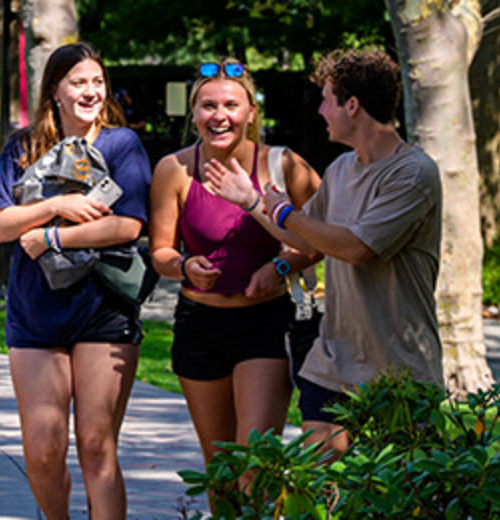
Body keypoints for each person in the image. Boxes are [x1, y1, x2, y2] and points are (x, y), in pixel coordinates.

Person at [198, 49, 445, 453]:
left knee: (394, 496)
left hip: (400, 371)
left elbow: (355, 248)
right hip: (333, 362)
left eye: (327, 99)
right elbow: (307, 239)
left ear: (353, 106)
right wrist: (251, 202)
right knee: (319, 481)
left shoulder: (412, 173)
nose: (320, 109)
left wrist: (284, 211)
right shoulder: (342, 168)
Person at [0, 42, 152, 520]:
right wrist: (55, 206)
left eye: (97, 82)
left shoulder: (121, 145)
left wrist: (53, 237)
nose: (91, 91)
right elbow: (1, 225)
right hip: (35, 312)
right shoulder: (22, 147)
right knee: (41, 451)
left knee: (97, 447)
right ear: (55, 90)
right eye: (79, 82)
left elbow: (127, 226)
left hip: (103, 309)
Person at [146, 59, 321, 506]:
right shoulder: (175, 170)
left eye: (230, 104)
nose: (218, 115)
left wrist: (281, 266)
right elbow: (161, 253)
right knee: (220, 471)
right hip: (199, 324)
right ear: (194, 113)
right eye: (207, 106)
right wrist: (185, 267)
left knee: (255, 468)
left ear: (250, 113)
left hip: (264, 325)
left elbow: (326, 238)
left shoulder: (282, 165)